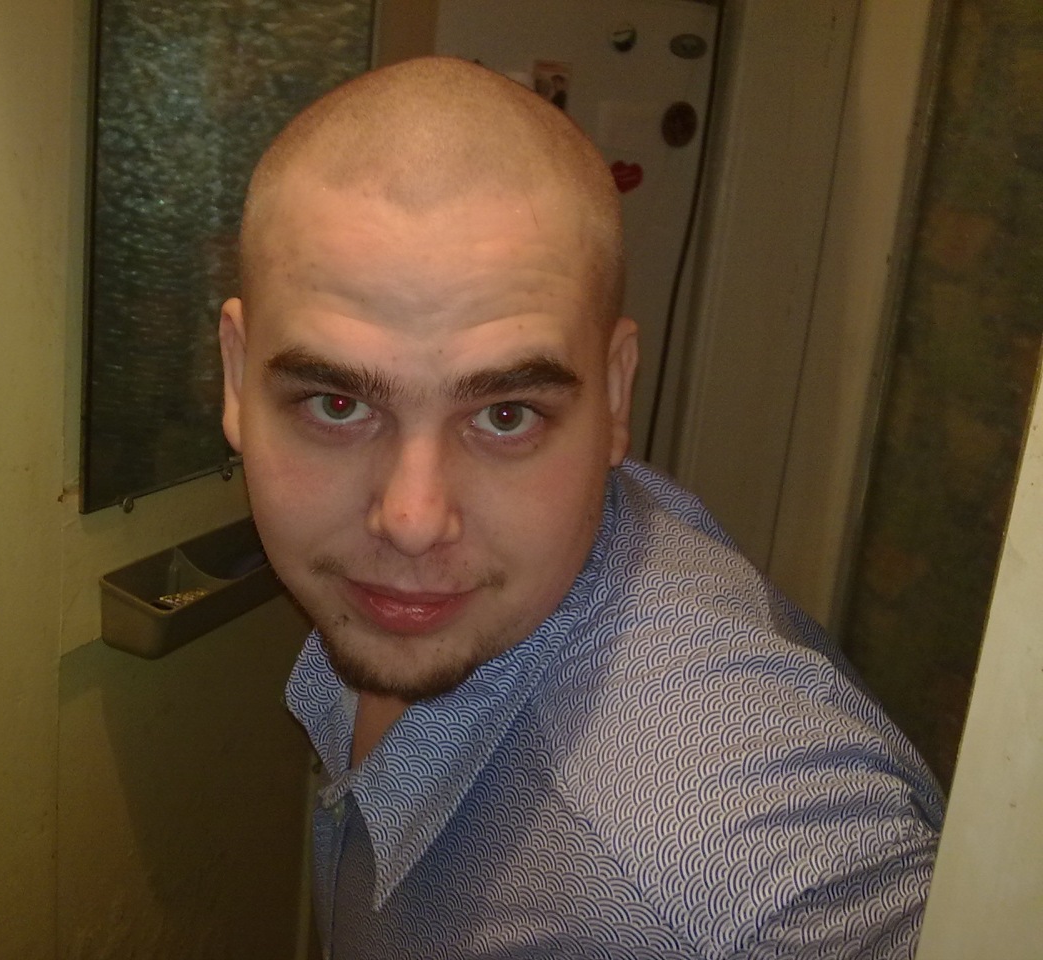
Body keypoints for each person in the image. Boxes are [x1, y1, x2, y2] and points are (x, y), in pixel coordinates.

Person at [218, 56, 944, 959]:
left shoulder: (720, 878)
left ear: (615, 394)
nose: (411, 520)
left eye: (505, 415)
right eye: (337, 405)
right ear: (237, 378)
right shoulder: (455, 587)